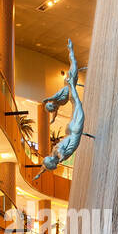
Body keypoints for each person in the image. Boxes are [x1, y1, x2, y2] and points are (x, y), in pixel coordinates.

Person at [34, 41, 93, 181]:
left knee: (76, 101)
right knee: (74, 102)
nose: (55, 166)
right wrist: (39, 173)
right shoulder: (52, 153)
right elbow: (45, 165)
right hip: (70, 130)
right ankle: (72, 81)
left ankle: (72, 85)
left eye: (54, 165)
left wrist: (59, 159)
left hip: (75, 130)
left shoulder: (58, 154)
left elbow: (58, 155)